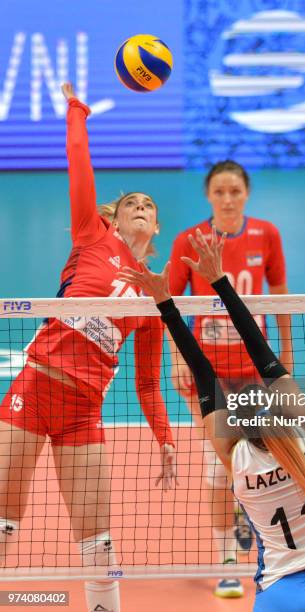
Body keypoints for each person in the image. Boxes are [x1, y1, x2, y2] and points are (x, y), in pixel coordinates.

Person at [118, 227, 305, 612]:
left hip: (276, 593)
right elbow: (259, 348)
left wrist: (165, 303)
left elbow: (202, 372)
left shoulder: (237, 462)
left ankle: (229, 555)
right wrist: (220, 281)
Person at [0, 83, 176, 612]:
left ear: (156, 226)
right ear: (116, 220)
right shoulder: (92, 238)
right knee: (4, 519)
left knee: (97, 539)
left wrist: (166, 438)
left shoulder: (155, 293)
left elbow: (147, 381)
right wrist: (78, 111)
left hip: (84, 411)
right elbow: (79, 160)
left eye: (148, 205)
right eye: (130, 204)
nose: (140, 207)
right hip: (34, 390)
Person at [168, 160, 292, 597]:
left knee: (269, 461)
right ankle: (226, 561)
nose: (227, 199)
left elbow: (280, 297)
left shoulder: (267, 235)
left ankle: (268, 545)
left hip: (255, 371)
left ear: (246, 193)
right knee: (220, 468)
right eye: (219, 192)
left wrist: (285, 357)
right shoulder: (189, 239)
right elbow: (170, 304)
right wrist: (178, 360)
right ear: (208, 196)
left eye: (234, 191)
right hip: (210, 375)